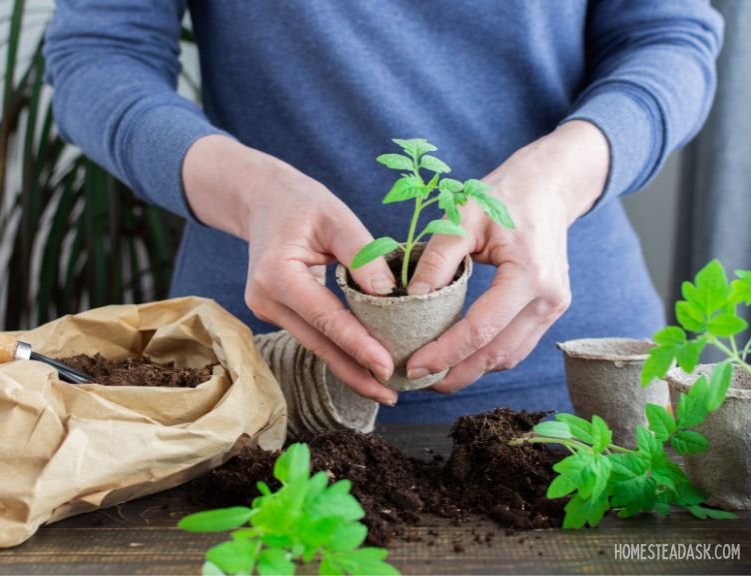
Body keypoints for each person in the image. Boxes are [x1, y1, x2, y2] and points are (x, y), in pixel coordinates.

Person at [43, 1, 723, 423]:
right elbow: (100, 53)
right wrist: (250, 192)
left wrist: (560, 176)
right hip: (266, 385)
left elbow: (669, 35)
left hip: (572, 381)